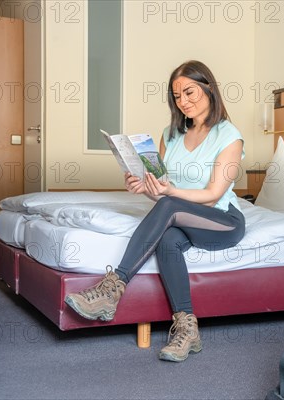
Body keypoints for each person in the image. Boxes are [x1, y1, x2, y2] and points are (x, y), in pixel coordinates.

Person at [64, 60, 245, 362]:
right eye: (176, 96)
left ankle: (114, 287)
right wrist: (143, 186)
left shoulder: (229, 135)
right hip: (182, 216)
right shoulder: (170, 134)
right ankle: (187, 328)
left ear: (208, 88)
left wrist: (168, 193)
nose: (183, 101)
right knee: (168, 238)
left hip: (223, 221)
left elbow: (213, 196)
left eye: (189, 92)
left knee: (170, 205)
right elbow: (162, 193)